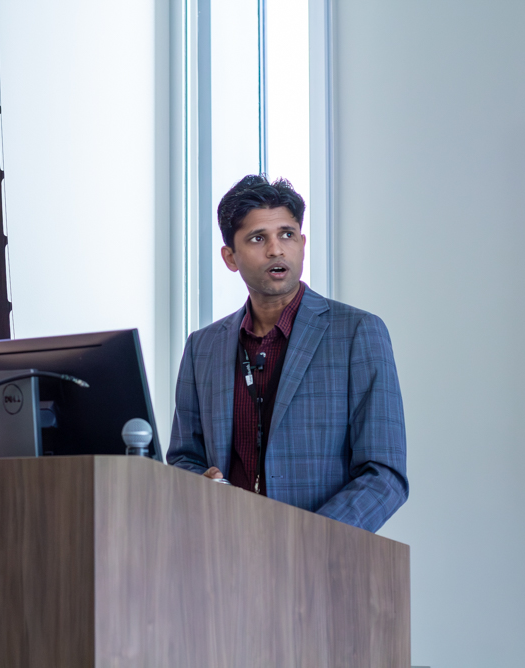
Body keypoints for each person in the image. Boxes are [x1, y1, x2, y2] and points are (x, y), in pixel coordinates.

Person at [167, 175, 407, 532]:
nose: (276, 250)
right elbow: (184, 458)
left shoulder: (357, 332)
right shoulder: (202, 347)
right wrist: (198, 486)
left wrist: (310, 540)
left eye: (287, 234)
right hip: (224, 554)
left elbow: (384, 474)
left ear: (303, 244)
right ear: (230, 257)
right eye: (258, 238)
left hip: (322, 562)